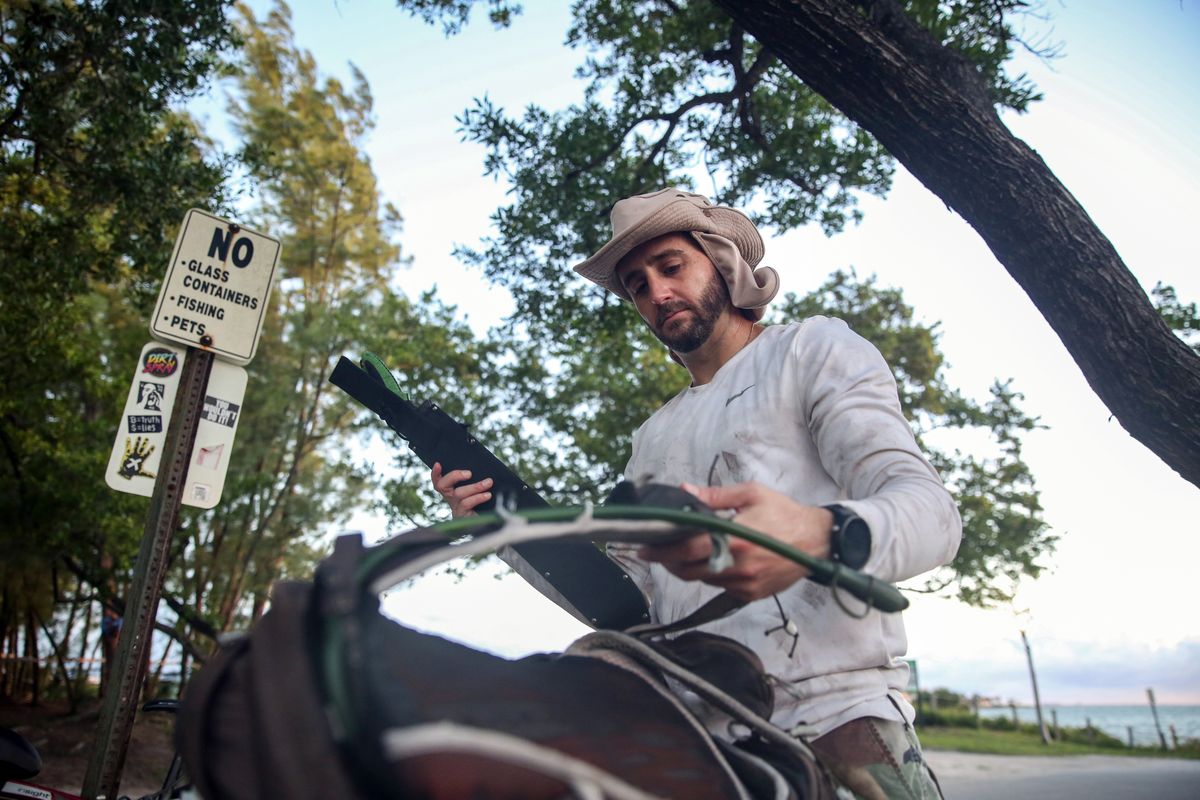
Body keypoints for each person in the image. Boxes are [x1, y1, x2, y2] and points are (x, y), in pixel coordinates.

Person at [432, 187, 961, 799]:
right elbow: (626, 606)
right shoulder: (651, 438)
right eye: (636, 285)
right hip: (695, 731)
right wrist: (498, 526)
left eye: (671, 266)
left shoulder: (811, 350)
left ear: (723, 261)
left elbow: (933, 515)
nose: (656, 293)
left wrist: (816, 535)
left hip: (836, 713)